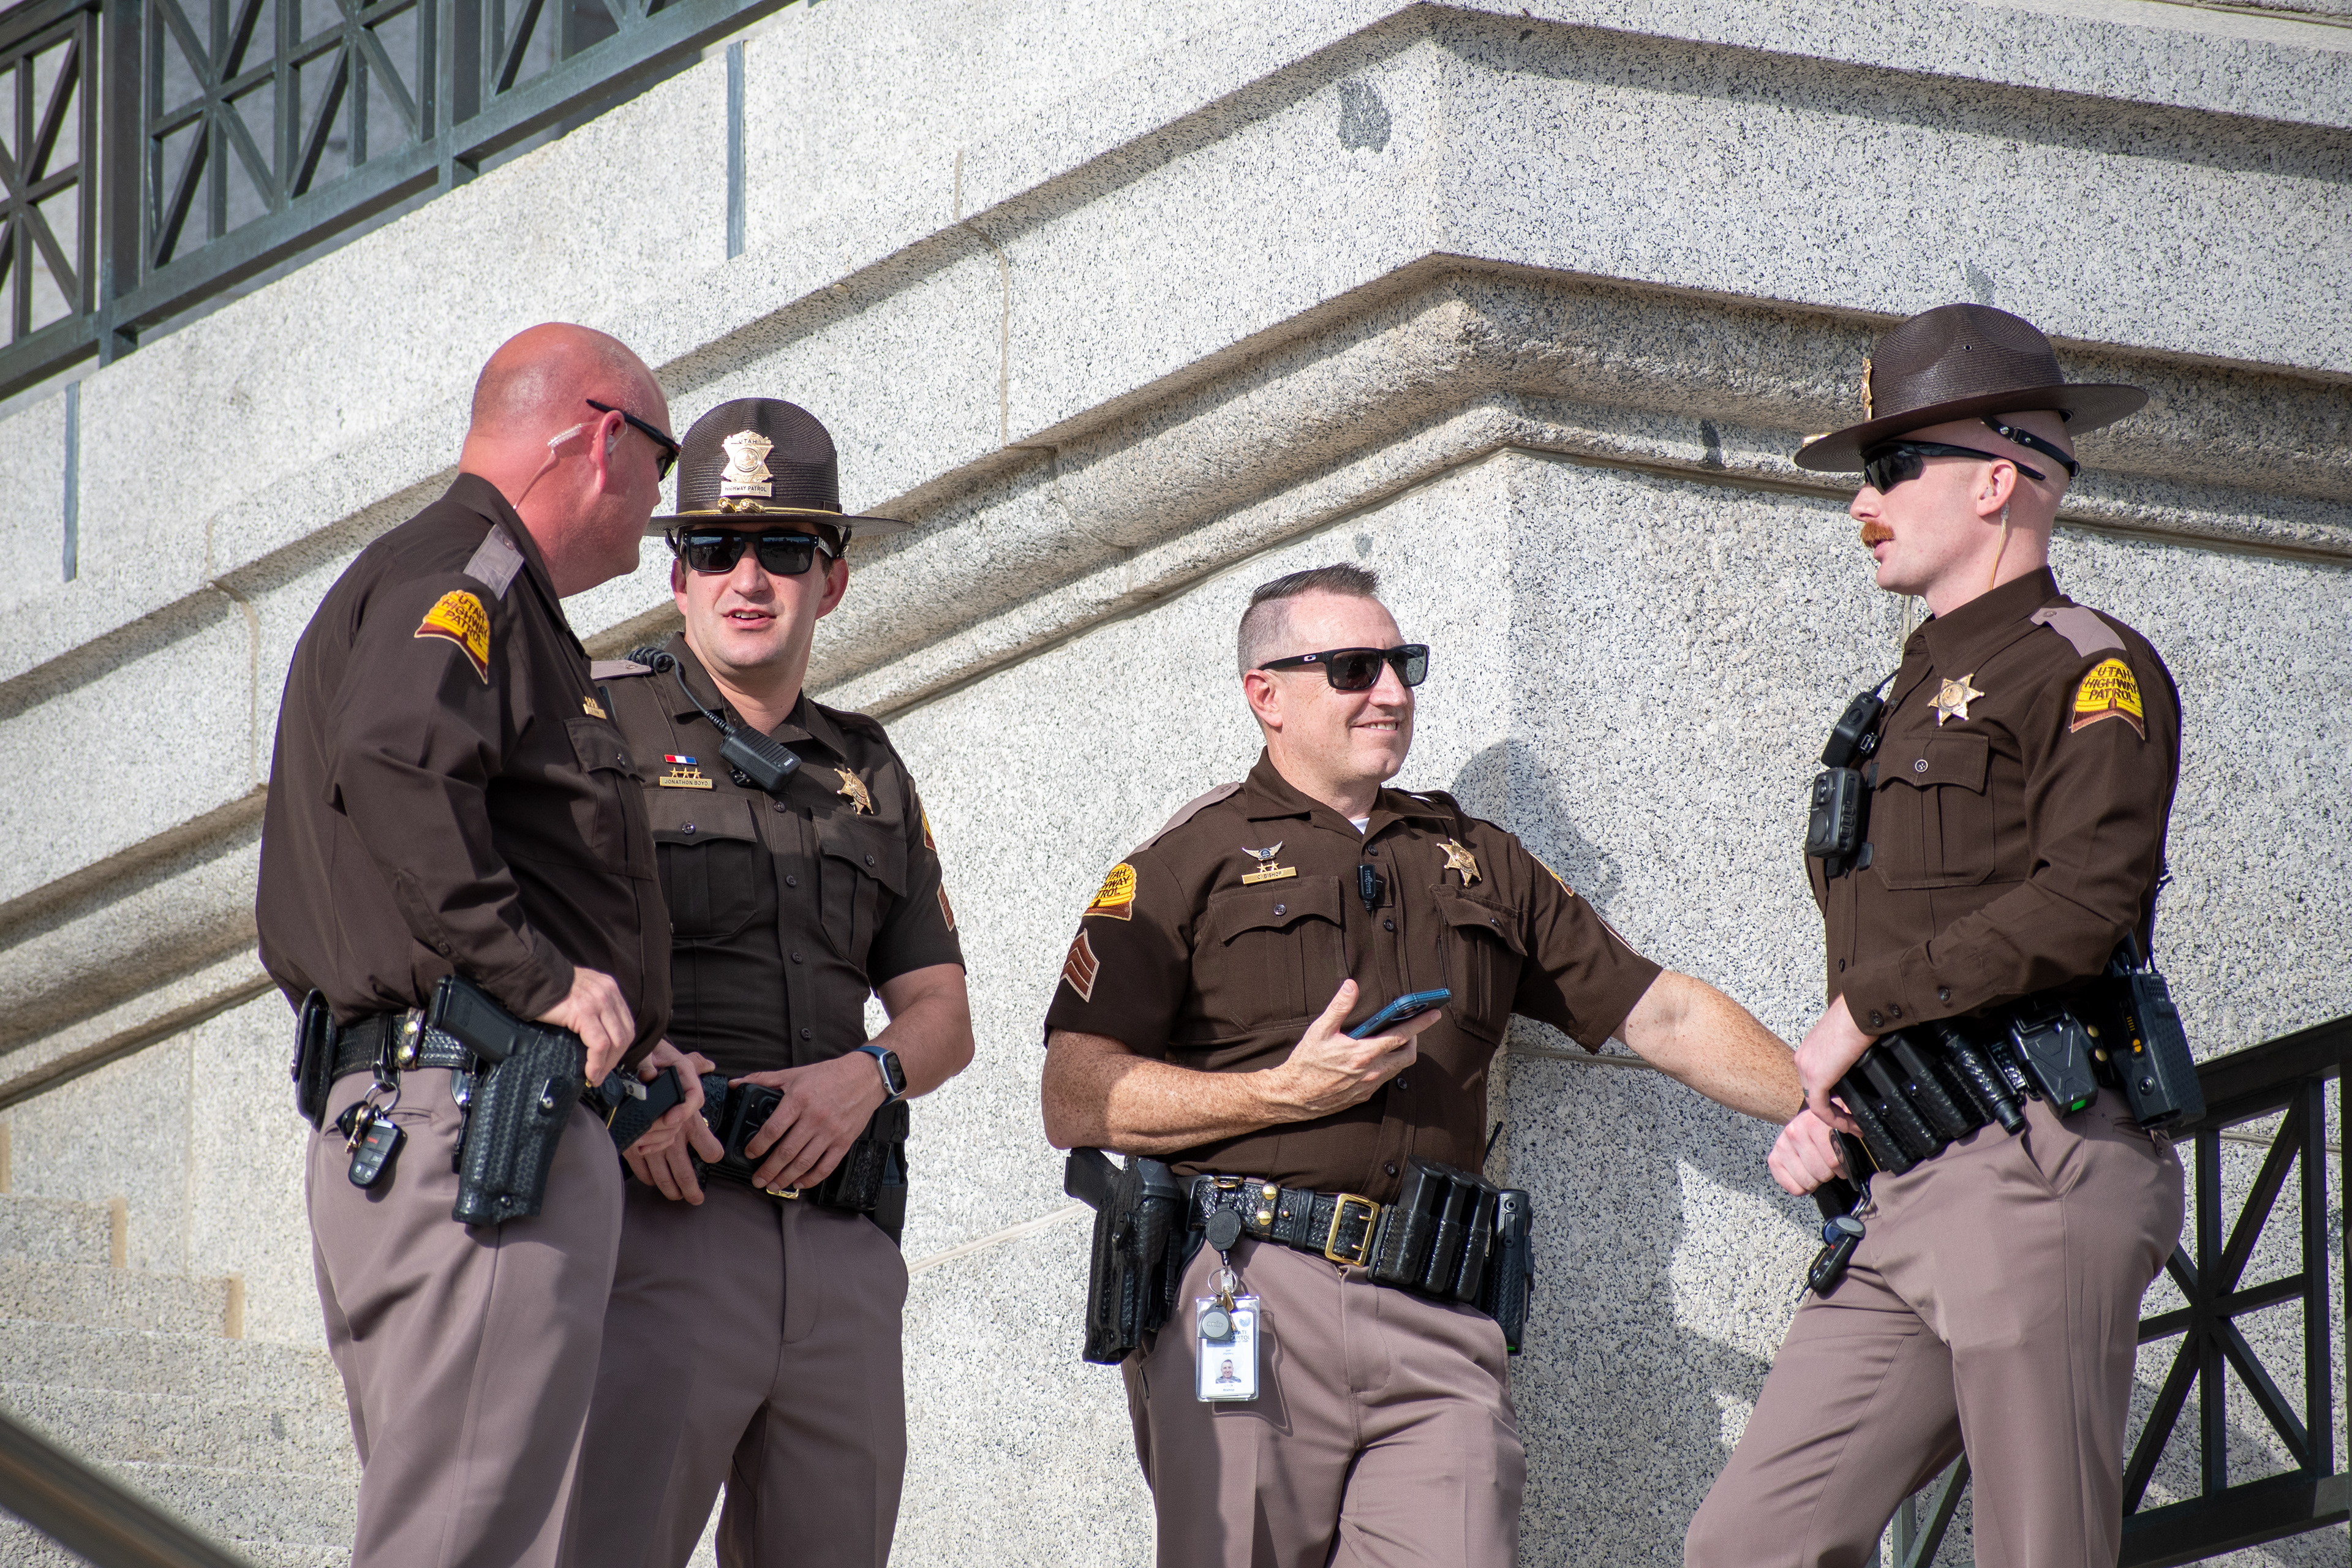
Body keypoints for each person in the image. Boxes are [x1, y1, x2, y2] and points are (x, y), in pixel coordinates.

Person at [1040, 562, 1804, 1568]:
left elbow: (1657, 1010)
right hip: (1253, 1292)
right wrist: (1281, 1093)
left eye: (1404, 665)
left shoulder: (1477, 856)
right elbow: (1074, 1092)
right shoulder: (1191, 861)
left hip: (1439, 1312)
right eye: (1354, 669)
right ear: (1265, 694)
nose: (1391, 693)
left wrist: (1828, 1099)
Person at [1684, 304, 2187, 1568]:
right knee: (1748, 1544)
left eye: (1895, 464)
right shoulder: (1890, 701)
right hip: (1901, 1177)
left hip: (2036, 1162)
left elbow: (2085, 904)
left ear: (2000, 475)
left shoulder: (2088, 665)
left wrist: (1859, 1016)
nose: (1867, 498)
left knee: (2039, 1549)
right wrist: (1833, 1096)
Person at [258, 323, 710, 1567]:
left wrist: (630, 1043)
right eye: (663, 464)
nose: (660, 506)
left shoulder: (453, 577)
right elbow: (399, 758)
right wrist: (546, 980)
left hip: (432, 1110)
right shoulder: (474, 569)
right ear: (602, 433)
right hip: (474, 1119)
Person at [571, 398, 974, 1568]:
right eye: (716, 547)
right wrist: (622, 1072)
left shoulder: (868, 765)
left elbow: (943, 1012)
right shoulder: (593, 725)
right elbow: (521, 940)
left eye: (786, 549)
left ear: (833, 580)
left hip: (843, 1248)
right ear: (681, 574)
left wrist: (872, 1076)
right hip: (661, 1213)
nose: (751, 575)